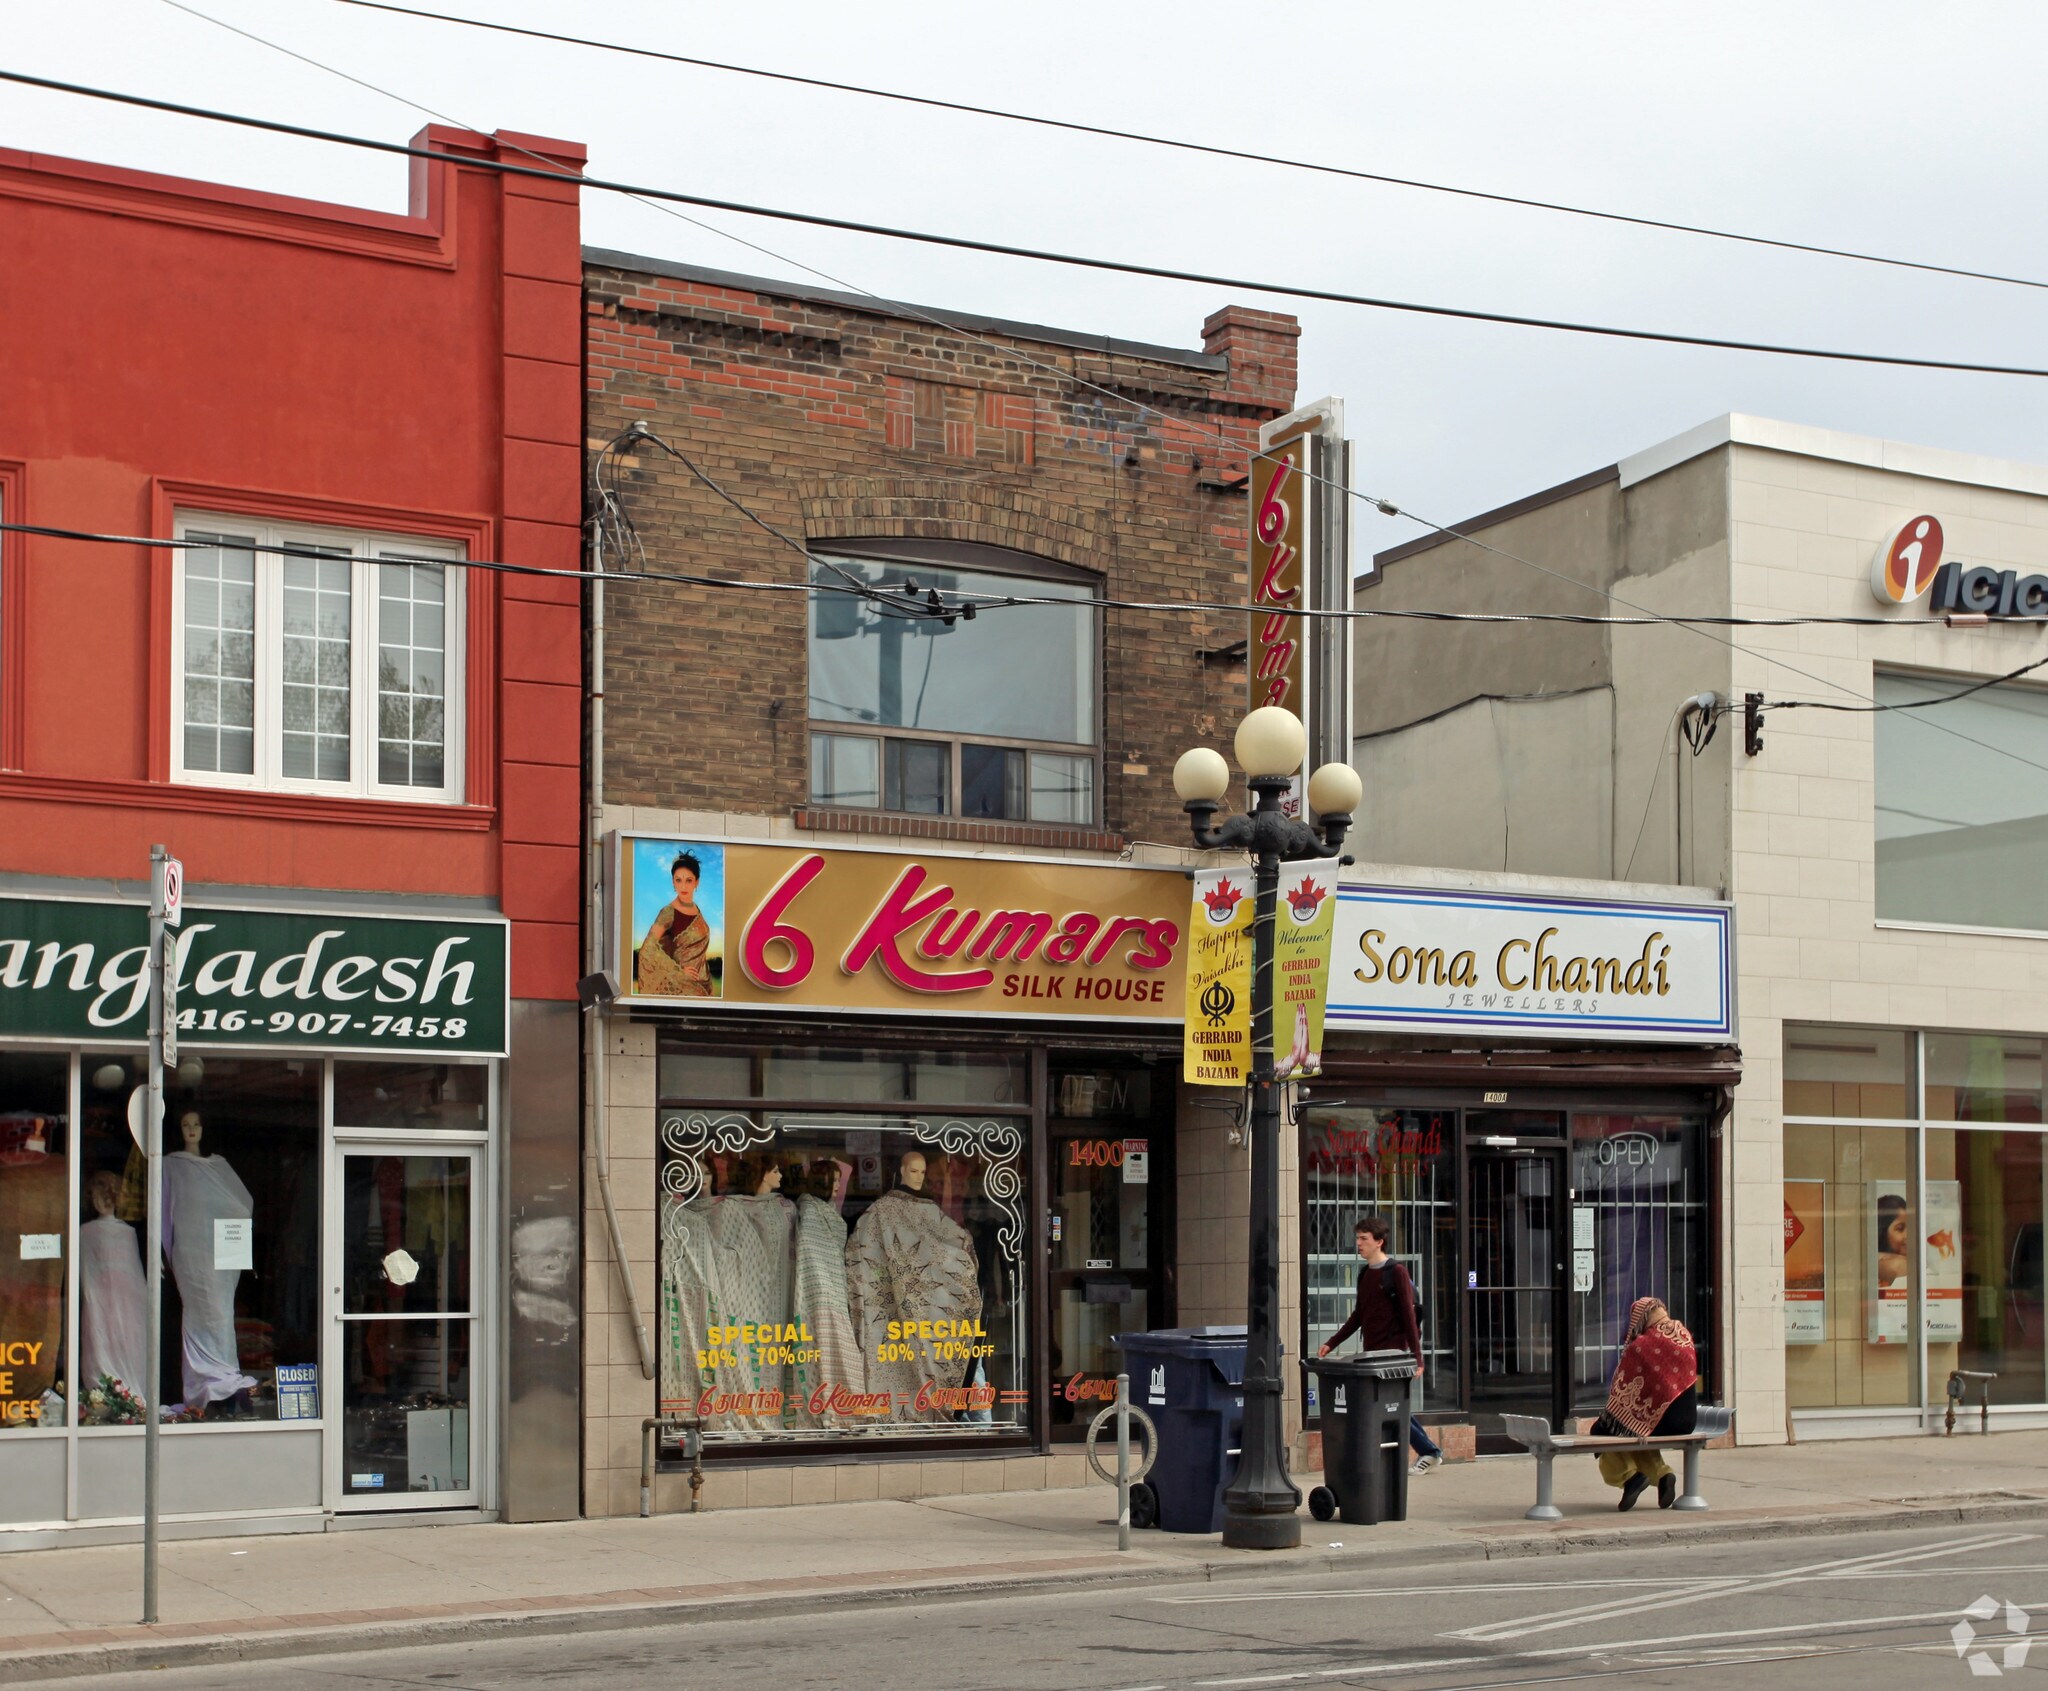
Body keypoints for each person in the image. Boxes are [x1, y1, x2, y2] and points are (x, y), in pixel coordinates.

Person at [1317, 1215, 1442, 1475]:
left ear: (1379, 1242)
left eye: (1364, 1239)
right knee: (1387, 1405)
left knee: (1389, 1404)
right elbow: (1359, 1316)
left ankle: (1428, 1452)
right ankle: (1424, 1451)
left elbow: (1409, 1317)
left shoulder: (1396, 1272)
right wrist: (1331, 1343)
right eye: (1358, 1238)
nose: (1358, 1243)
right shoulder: (1365, 1274)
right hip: (1372, 1352)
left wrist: (1417, 1359)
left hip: (1393, 1351)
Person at [1593, 1295, 1699, 1511]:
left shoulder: (1641, 1346)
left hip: (1662, 1422)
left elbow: (1623, 1399)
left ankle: (1630, 1477)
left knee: (1613, 1436)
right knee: (1639, 1430)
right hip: (1688, 1421)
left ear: (1640, 1320)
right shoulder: (1682, 1334)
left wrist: (1600, 1427)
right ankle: (1663, 1475)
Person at [638, 850, 715, 996]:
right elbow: (647, 949)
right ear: (673, 882)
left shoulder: (697, 911)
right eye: (678, 880)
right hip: (681, 987)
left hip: (704, 985)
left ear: (697, 882)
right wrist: (679, 973)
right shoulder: (668, 912)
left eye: (689, 880)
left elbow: (699, 956)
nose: (683, 886)